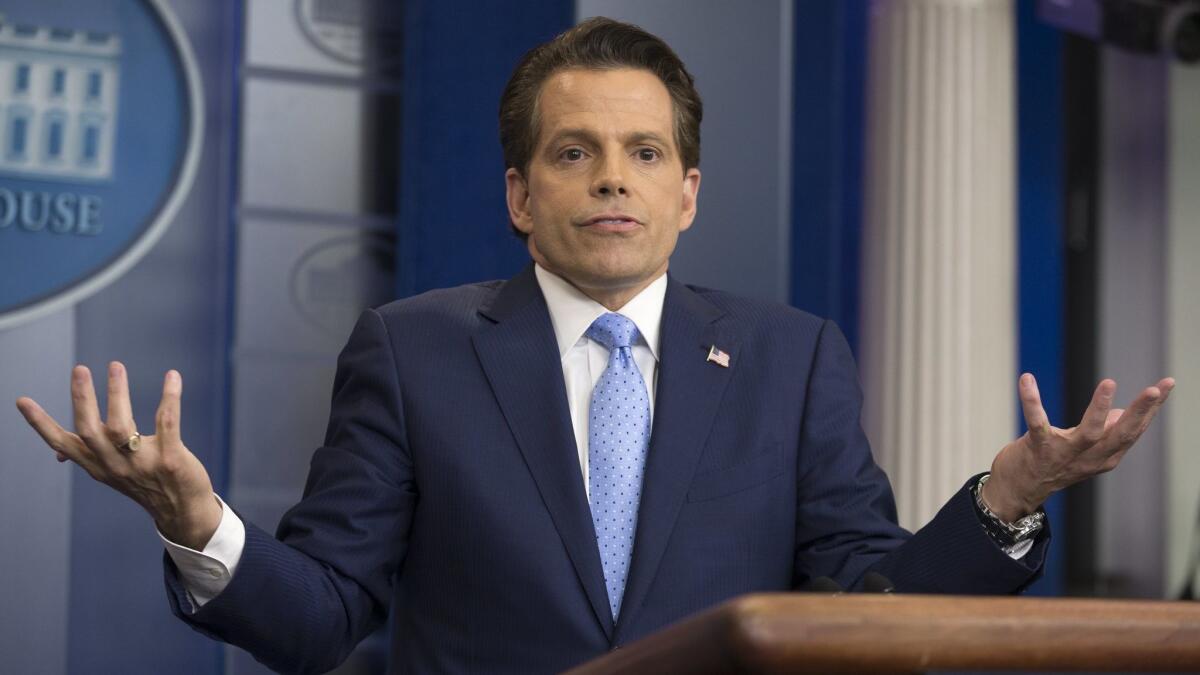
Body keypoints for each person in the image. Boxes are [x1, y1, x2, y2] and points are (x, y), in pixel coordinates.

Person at [15, 17, 1173, 675]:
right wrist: (195, 523)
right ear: (520, 195)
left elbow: (867, 600)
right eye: (574, 153)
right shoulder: (412, 352)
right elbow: (321, 619)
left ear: (689, 192)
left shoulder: (791, 357)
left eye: (645, 152)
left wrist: (1005, 497)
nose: (613, 174)